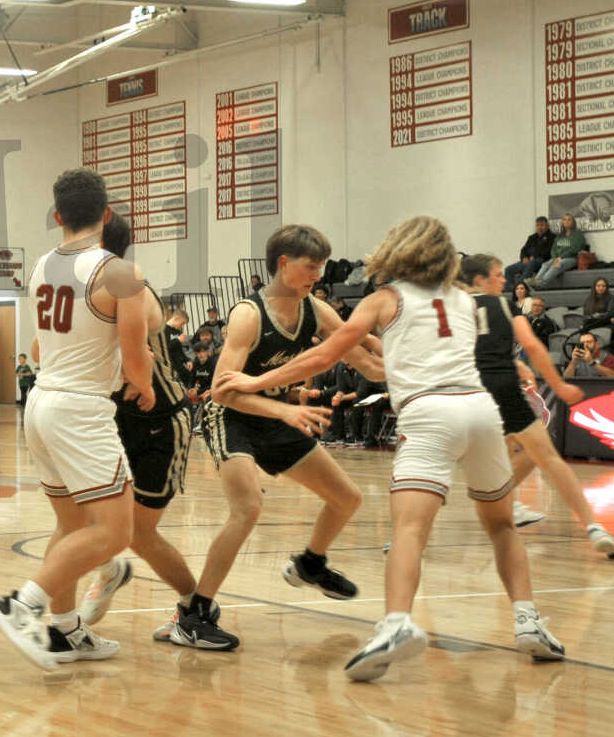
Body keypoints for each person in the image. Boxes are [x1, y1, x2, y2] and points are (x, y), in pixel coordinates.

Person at [217, 218, 567, 681]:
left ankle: (397, 624)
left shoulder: (384, 299)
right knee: (502, 526)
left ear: (399, 251)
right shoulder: (464, 300)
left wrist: (256, 382)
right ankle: (528, 621)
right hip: (481, 412)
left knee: (409, 530)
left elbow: (325, 355)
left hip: (430, 414)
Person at [183, 224, 385, 651]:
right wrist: (286, 410)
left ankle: (311, 564)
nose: (318, 275)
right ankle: (194, 615)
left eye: (321, 267)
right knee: (247, 508)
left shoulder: (317, 310)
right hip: (232, 416)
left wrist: (425, 368)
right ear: (284, 263)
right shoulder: (248, 315)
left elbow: (367, 363)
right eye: (311, 266)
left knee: (347, 497)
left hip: (278, 413)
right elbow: (221, 391)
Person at [0, 169, 152, 668]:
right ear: (107, 213)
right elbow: (135, 353)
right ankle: (21, 606)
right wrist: (144, 385)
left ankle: (64, 630)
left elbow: (41, 344)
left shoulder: (40, 266)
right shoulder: (118, 272)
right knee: (116, 533)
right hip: (79, 409)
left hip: (41, 402)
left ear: (57, 216)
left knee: (71, 524)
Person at [85, 210, 238, 650]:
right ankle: (108, 570)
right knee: (88, 513)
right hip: (113, 416)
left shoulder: (130, 285)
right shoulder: (88, 291)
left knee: (139, 532)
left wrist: (138, 377)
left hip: (159, 421)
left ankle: (194, 609)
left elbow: (136, 356)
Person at [460, 254, 614, 556]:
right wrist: (559, 386)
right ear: (480, 279)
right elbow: (533, 345)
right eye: (497, 274)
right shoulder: (504, 305)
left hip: (467, 394)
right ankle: (593, 527)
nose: (504, 279)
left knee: (473, 459)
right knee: (547, 456)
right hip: (502, 388)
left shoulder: (450, 308)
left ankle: (408, 533)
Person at [529, 213, 585, 290]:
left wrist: (560, 258)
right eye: (564, 220)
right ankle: (535, 281)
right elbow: (553, 249)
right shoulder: (560, 235)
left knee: (557, 265)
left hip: (572, 258)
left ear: (573, 222)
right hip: (558, 258)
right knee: (546, 264)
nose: (566, 221)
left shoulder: (578, 234)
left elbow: (575, 249)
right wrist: (555, 258)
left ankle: (541, 284)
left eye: (569, 220)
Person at [504, 216, 555, 288]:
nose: (540, 227)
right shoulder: (532, 237)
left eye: (542, 225)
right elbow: (523, 250)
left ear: (547, 226)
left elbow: (549, 252)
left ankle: (520, 287)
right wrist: (524, 257)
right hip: (528, 261)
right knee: (508, 269)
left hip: (541, 261)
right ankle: (509, 290)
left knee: (531, 263)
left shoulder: (552, 237)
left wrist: (534, 257)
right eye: (538, 225)